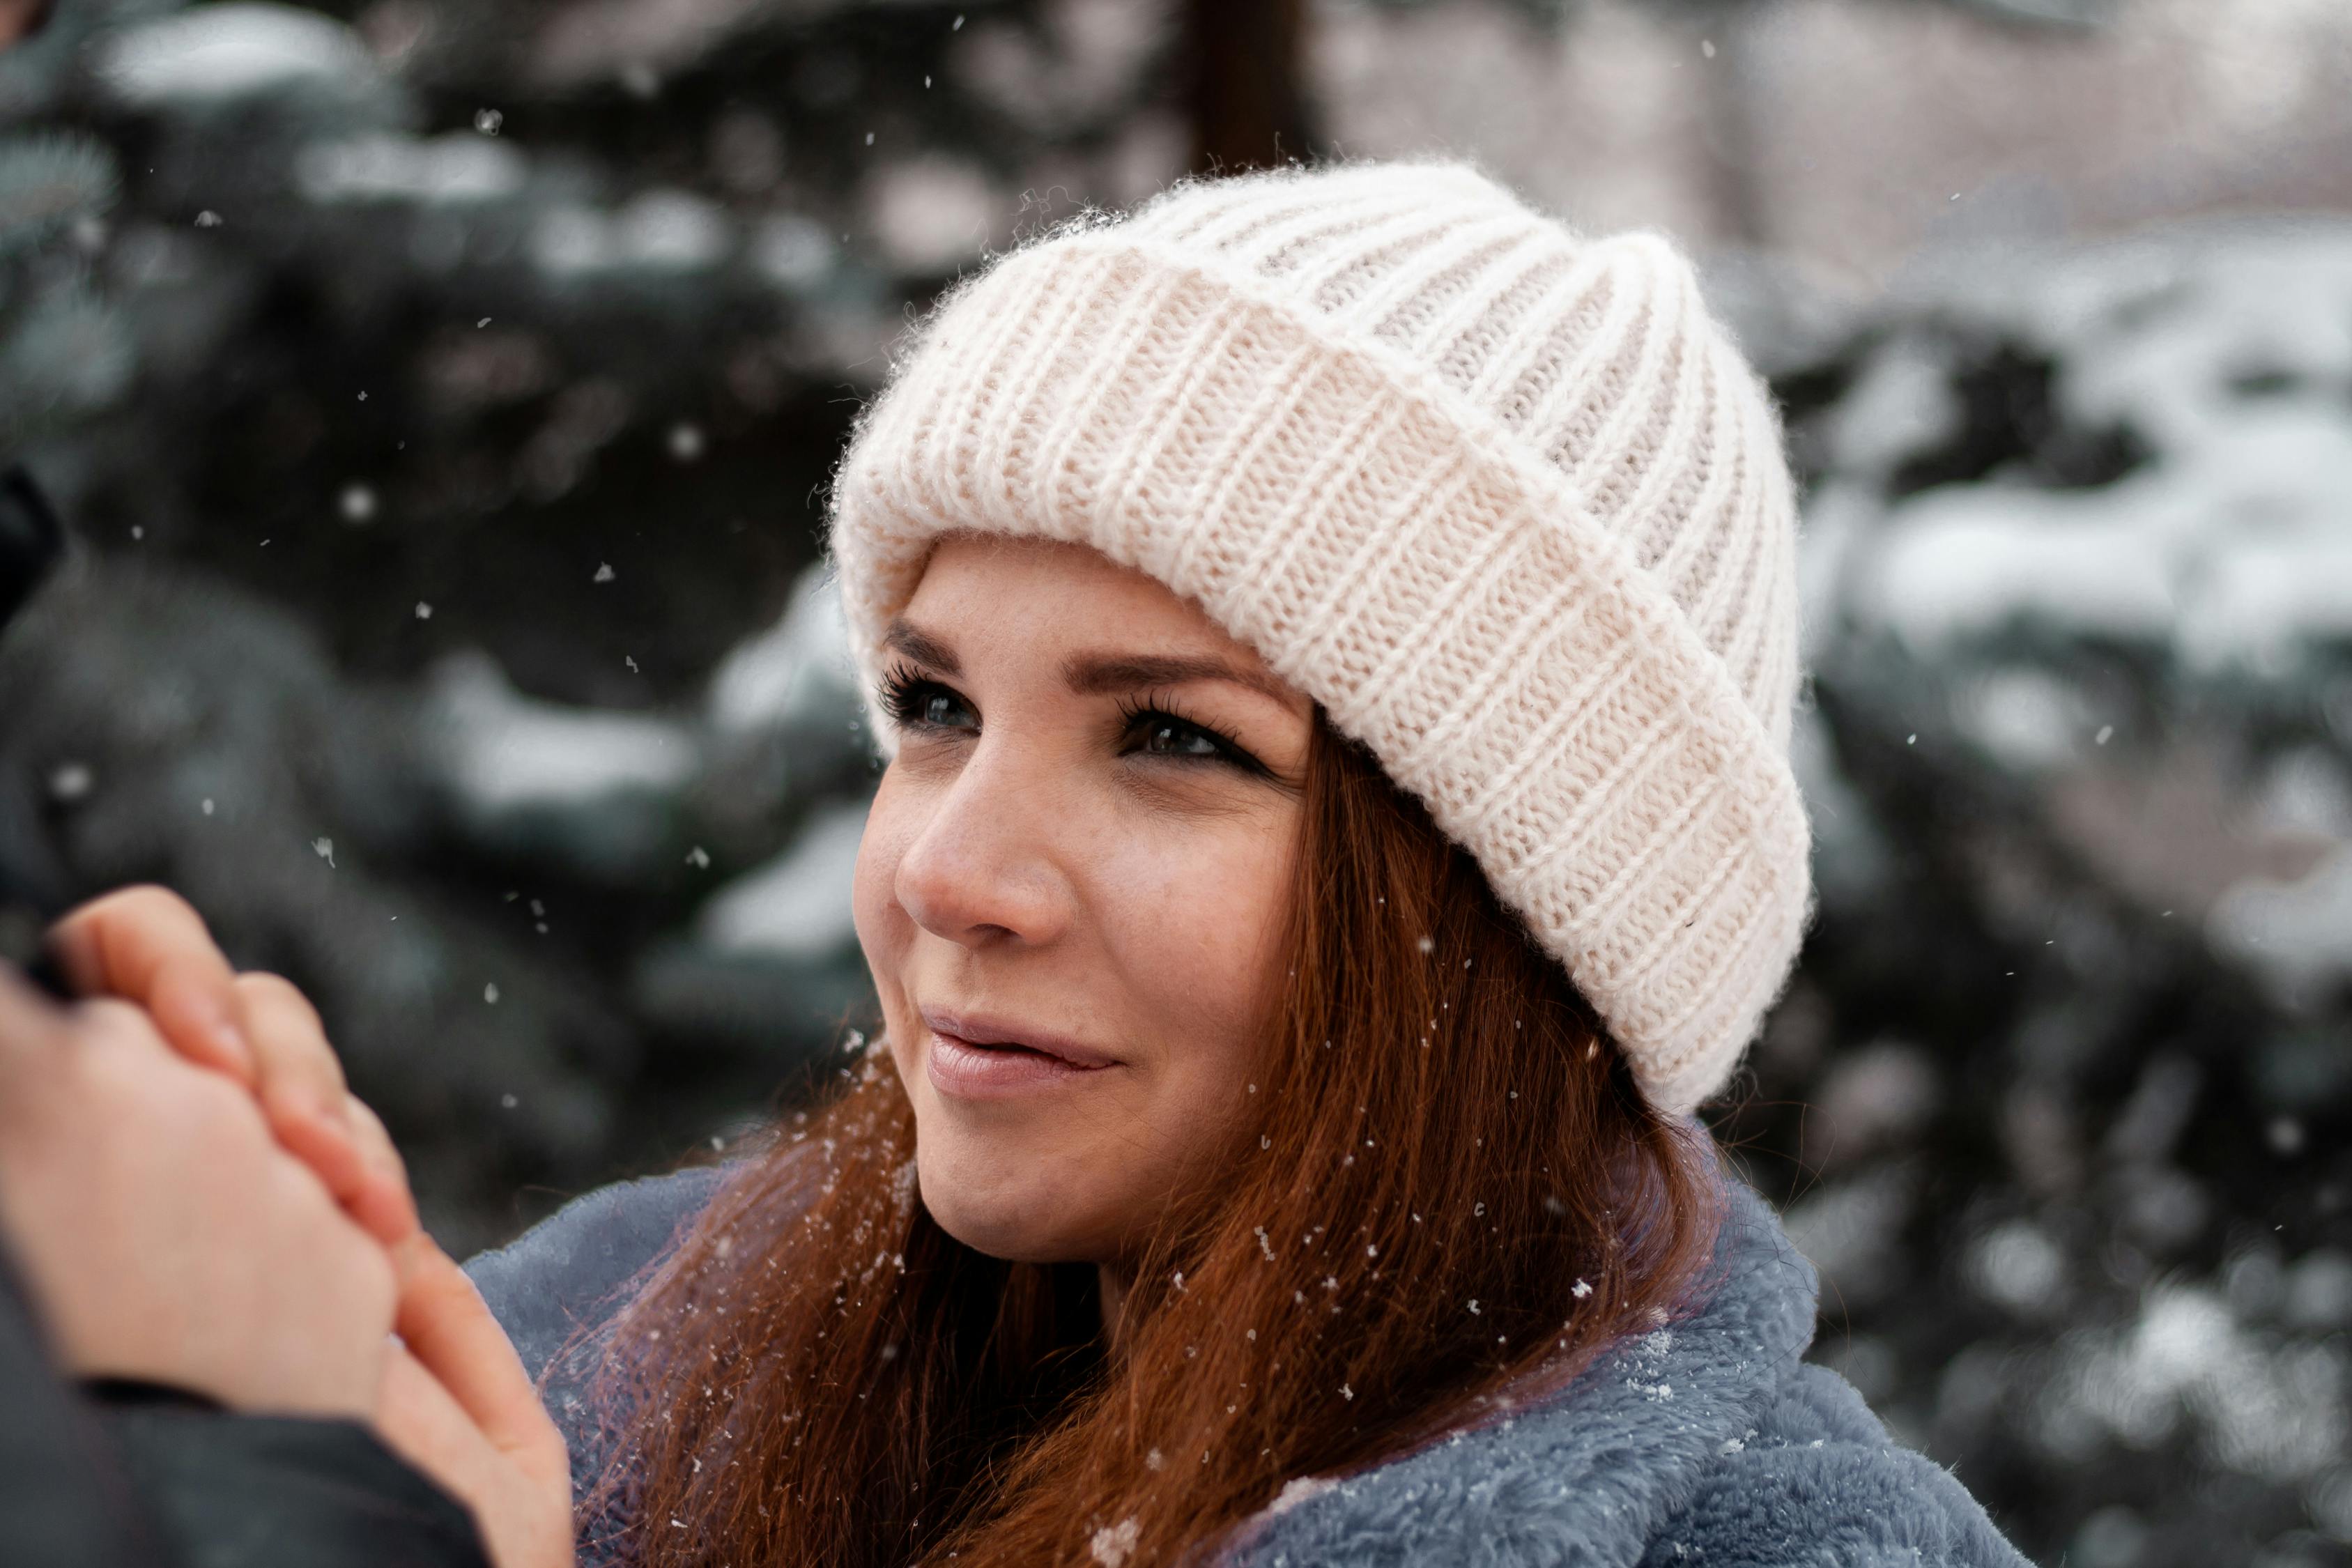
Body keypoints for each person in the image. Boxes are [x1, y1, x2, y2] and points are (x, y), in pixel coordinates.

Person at [67, 157, 2036, 1568]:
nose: (953, 874)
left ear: (1517, 922)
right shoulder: (600, 1355)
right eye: (933, 707)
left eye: (1173, 739)